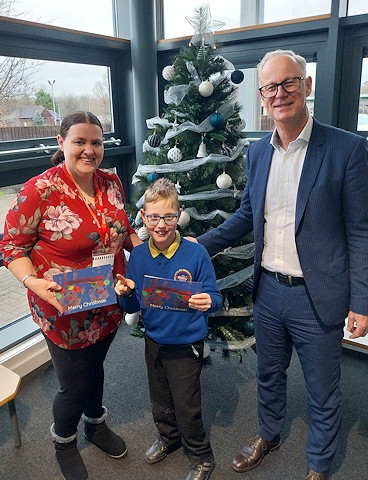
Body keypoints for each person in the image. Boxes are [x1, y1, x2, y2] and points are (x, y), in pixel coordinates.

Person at [193, 50, 368, 480]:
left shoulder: (348, 149)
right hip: (268, 291)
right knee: (268, 375)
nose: (279, 93)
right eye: (270, 87)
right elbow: (245, 218)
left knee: (322, 390)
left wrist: (362, 302)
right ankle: (268, 434)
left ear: (307, 86)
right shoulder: (257, 154)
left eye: (288, 83)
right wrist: (198, 244)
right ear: (261, 96)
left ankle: (319, 466)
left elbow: (361, 232)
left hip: (318, 295)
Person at [0, 111, 141, 480]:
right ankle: (63, 440)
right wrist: (32, 283)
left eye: (96, 142)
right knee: (73, 382)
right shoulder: (39, 190)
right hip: (62, 305)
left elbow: (123, 230)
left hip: (108, 298)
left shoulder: (111, 182)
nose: (89, 150)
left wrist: (149, 256)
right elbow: (11, 248)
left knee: (96, 368)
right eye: (80, 141)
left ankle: (95, 424)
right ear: (61, 142)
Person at [114, 177, 222, 480]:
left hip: (186, 344)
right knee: (160, 399)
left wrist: (207, 301)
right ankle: (169, 438)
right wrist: (125, 294)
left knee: (187, 405)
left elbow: (215, 297)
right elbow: (133, 307)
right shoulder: (138, 256)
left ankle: (201, 456)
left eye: (168, 217)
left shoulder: (195, 254)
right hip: (154, 341)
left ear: (179, 215)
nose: (160, 225)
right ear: (144, 217)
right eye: (153, 217)